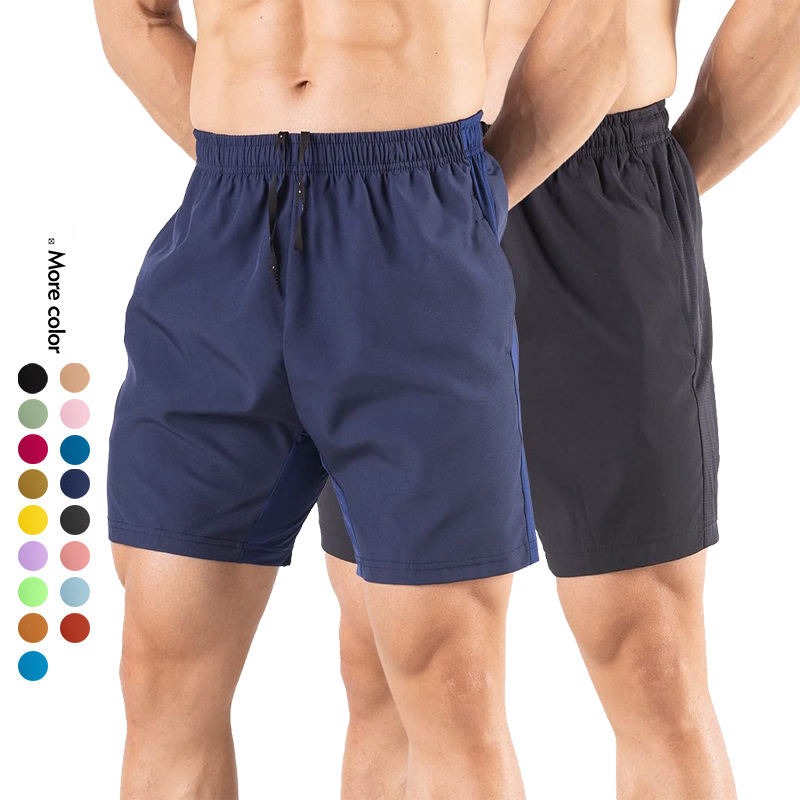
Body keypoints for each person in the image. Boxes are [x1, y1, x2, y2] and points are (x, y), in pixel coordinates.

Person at [93, 0, 626, 797]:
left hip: (418, 220)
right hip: (223, 229)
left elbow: (598, 19)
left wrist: (473, 194)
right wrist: (247, 168)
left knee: (448, 670)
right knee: (160, 664)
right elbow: (134, 20)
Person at [318, 0, 800, 798]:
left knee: (649, 654)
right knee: (391, 668)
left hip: (595, 185)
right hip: (385, 181)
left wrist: (671, 176)